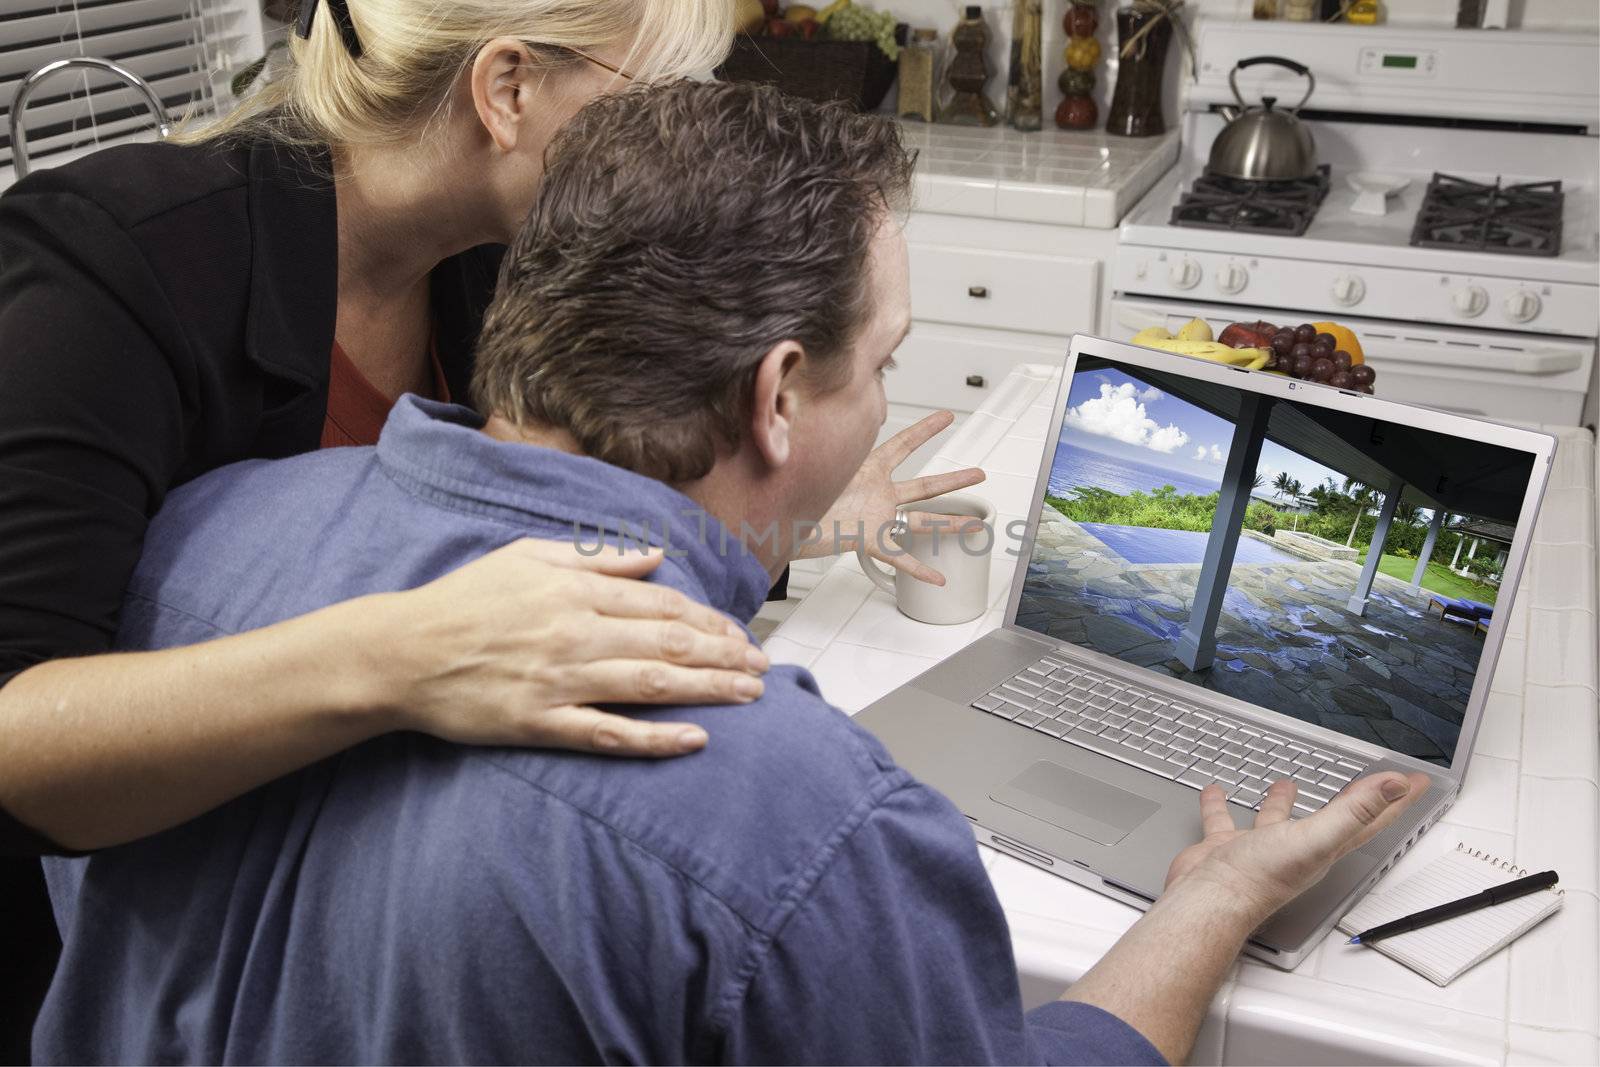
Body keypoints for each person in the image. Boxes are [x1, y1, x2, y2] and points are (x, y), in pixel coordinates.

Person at [36, 80, 1429, 1065]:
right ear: (776, 396)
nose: (883, 401)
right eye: (881, 365)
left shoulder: (200, 537)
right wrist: (1211, 899)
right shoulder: (801, 815)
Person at [0, 0, 978, 1047]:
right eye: (652, 97)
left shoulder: (495, 257)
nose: (677, 141)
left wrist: (795, 508)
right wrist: (407, 650)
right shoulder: (113, 270)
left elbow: (554, 485)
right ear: (506, 88)